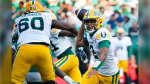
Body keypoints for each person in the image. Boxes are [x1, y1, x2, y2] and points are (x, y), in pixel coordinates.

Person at [11, 1, 78, 84]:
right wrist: (80, 37)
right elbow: (70, 27)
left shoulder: (19, 19)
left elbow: (15, 40)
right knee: (50, 79)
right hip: (43, 50)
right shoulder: (46, 17)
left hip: (24, 49)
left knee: (15, 80)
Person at [76, 9, 120, 84]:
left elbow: (104, 54)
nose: (89, 24)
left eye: (92, 22)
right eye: (87, 22)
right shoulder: (90, 35)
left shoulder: (102, 33)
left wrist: (95, 68)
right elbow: (78, 43)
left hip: (109, 74)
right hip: (97, 71)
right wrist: (83, 24)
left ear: (98, 21)